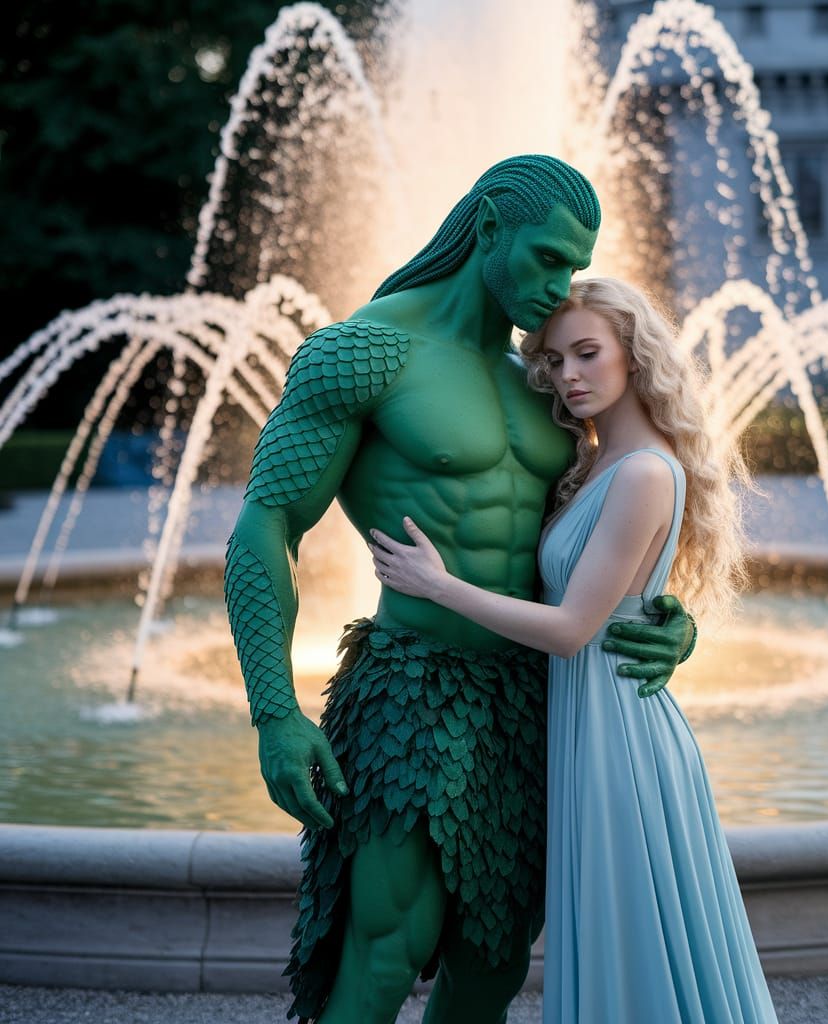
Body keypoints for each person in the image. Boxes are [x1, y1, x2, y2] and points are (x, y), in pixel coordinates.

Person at [223, 156, 697, 1024]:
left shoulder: (543, 376)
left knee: (493, 963)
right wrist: (273, 711)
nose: (563, 283)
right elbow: (265, 527)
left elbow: (601, 524)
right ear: (488, 230)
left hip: (530, 696)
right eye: (548, 258)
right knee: (384, 951)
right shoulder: (364, 352)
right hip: (412, 683)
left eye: (575, 262)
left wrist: (665, 614)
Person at [370, 277, 778, 1024]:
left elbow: (571, 629)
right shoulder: (593, 462)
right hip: (589, 726)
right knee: (616, 943)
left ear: (635, 354)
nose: (568, 376)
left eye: (587, 353)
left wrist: (437, 584)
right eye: (554, 361)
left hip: (620, 742)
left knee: (633, 946)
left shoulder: (645, 472)